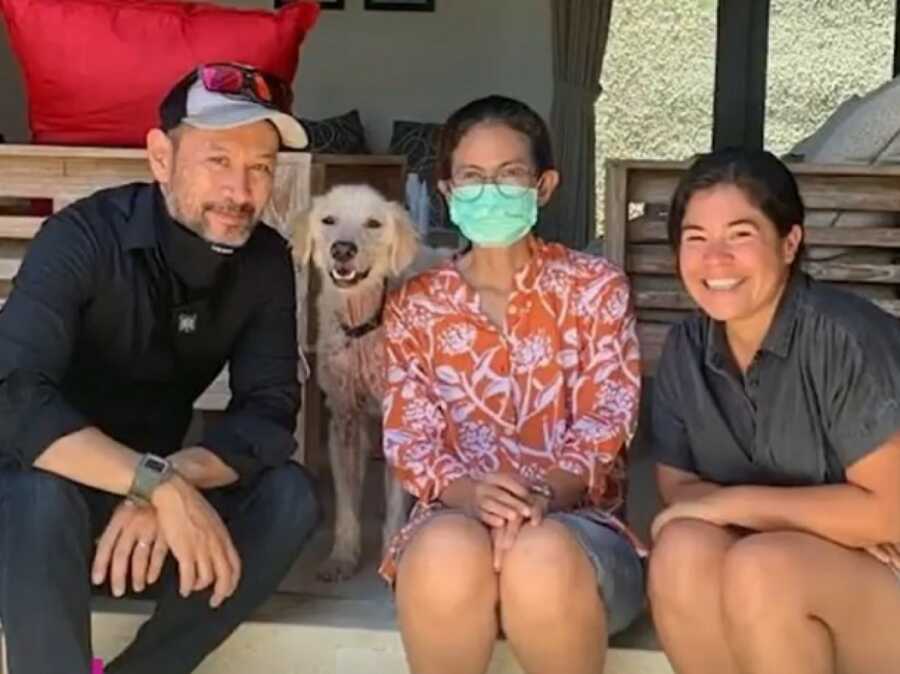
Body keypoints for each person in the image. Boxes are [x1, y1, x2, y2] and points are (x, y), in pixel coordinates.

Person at [0, 63, 319, 674]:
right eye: (218, 160)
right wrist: (152, 483)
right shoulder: (82, 238)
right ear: (160, 158)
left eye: (261, 168)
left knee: (291, 496)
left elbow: (269, 412)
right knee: (38, 497)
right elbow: (14, 397)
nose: (241, 190)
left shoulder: (264, 261)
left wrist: (167, 481)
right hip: (34, 514)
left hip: (151, 518)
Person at [380, 95, 645, 674]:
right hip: (455, 524)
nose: (489, 191)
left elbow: (607, 423)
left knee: (540, 554)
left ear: (544, 186)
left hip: (575, 534)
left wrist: (537, 500)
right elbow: (411, 440)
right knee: (447, 552)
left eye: (510, 175)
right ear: (448, 192)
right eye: (472, 177)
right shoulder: (414, 307)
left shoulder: (595, 289)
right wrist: (473, 498)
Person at [647, 148, 900, 674]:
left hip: (883, 578)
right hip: (788, 561)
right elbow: (682, 494)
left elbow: (888, 513)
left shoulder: (844, 337)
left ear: (789, 243)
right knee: (682, 550)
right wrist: (811, 520)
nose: (715, 260)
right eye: (696, 239)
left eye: (740, 235)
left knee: (763, 567)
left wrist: (735, 505)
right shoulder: (686, 348)